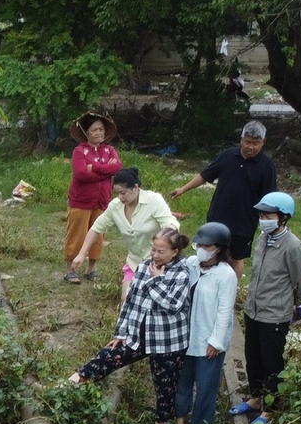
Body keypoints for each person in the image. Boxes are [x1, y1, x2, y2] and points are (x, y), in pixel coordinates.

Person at [66, 230, 198, 424]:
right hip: (137, 334)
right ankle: (70, 384)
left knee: (165, 384)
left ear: (175, 252)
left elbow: (173, 304)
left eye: (161, 251)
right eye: (154, 249)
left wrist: (155, 282)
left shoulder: (182, 273)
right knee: (107, 357)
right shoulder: (144, 266)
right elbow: (130, 302)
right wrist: (120, 332)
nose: (155, 255)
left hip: (167, 340)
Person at [235, 191, 301, 424]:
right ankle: (255, 398)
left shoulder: (292, 246)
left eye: (268, 216)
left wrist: (292, 303)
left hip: (275, 314)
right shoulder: (263, 239)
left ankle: (270, 409)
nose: (263, 220)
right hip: (253, 310)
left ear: (283, 218)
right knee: (253, 358)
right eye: (261, 215)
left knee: (272, 364)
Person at [168, 122, 278, 275]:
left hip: (244, 222)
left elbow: (270, 196)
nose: (250, 147)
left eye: (255, 143)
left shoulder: (267, 166)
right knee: (209, 252)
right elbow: (205, 175)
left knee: (236, 257)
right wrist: (183, 189)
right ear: (241, 139)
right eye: (247, 142)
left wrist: (269, 219)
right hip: (218, 216)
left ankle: (231, 291)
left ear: (263, 143)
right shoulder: (228, 155)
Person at [170, 223, 239, 424]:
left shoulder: (226, 275)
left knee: (206, 384)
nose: (200, 249)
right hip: (184, 336)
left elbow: (224, 311)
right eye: (198, 244)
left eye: (206, 245)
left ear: (218, 248)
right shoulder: (190, 265)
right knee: (182, 382)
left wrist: (216, 341)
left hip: (208, 339)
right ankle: (180, 420)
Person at [70, 168, 179, 299]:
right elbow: (96, 228)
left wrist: (165, 240)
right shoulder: (115, 207)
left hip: (158, 263)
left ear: (136, 188)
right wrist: (82, 254)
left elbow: (170, 224)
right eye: (117, 193)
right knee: (126, 301)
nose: (120, 197)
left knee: (152, 305)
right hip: (134, 262)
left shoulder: (153, 201)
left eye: (123, 193)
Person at [63, 112, 122, 284]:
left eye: (101, 129)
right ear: (86, 132)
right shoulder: (79, 151)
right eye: (94, 129)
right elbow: (81, 174)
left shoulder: (109, 150)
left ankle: (91, 269)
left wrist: (94, 168)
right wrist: (105, 170)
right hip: (80, 201)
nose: (98, 133)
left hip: (102, 200)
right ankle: (70, 270)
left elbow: (117, 168)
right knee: (76, 235)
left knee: (98, 235)